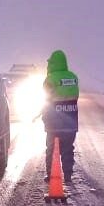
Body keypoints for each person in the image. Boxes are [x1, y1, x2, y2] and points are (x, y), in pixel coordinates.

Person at [41, 50, 79, 182]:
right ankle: (68, 175)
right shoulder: (73, 77)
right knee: (68, 149)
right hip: (71, 122)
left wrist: (44, 117)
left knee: (51, 149)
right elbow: (75, 97)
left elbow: (46, 99)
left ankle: (51, 175)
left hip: (54, 123)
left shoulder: (50, 79)